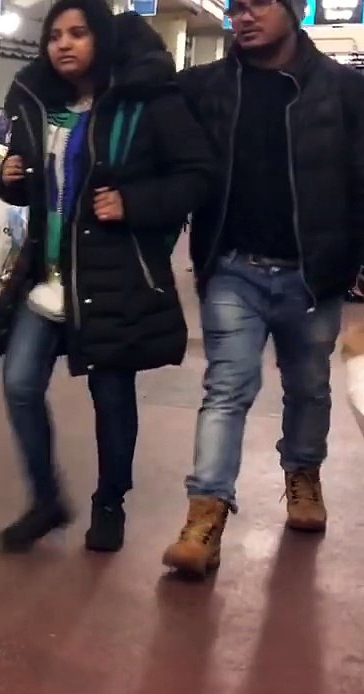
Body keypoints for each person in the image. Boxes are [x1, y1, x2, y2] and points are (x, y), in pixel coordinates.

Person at [0, 0, 214, 553]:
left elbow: (199, 176)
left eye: (78, 33)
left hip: (114, 280)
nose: (63, 44)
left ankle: (109, 502)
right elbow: (34, 182)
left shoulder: (147, 100)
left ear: (103, 39)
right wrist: (11, 181)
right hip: (47, 276)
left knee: (111, 398)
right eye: (55, 35)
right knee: (19, 386)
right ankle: (45, 500)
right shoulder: (40, 104)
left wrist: (135, 202)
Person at [162, 0, 364, 576]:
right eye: (235, 7)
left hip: (313, 272)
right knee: (226, 387)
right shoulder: (206, 88)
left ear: (296, 10)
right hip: (232, 267)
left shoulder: (345, 91)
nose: (243, 17)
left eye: (258, 5)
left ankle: (303, 475)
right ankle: (205, 515)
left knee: (308, 388)